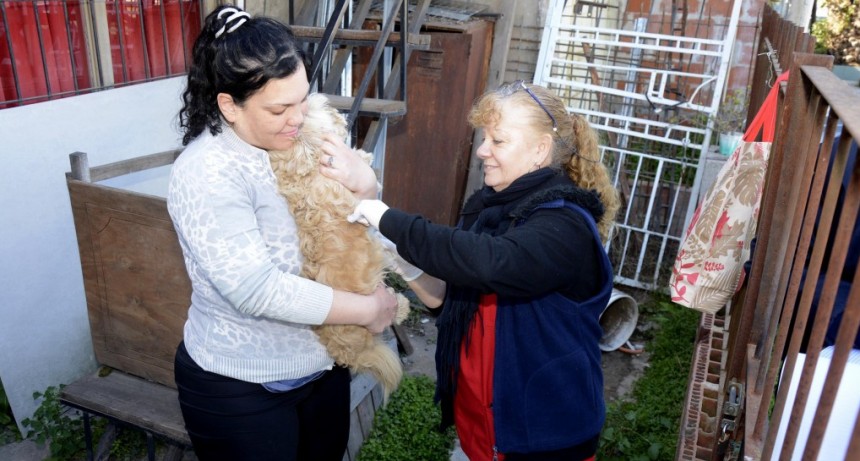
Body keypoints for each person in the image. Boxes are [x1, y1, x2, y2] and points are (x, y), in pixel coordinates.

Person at [339, 80, 620, 461]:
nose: (483, 151)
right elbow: (450, 302)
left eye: (498, 141)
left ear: (540, 149)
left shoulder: (565, 226)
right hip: (482, 431)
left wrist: (386, 216)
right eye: (484, 137)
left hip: (544, 439)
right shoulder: (488, 212)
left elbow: (492, 264)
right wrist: (403, 261)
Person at [166, 6, 399, 461]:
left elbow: (348, 225)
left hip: (320, 368)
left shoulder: (305, 133)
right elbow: (256, 289)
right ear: (229, 105)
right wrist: (368, 309)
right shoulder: (206, 171)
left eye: (303, 99)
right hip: (241, 387)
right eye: (279, 108)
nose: (298, 117)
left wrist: (367, 188)